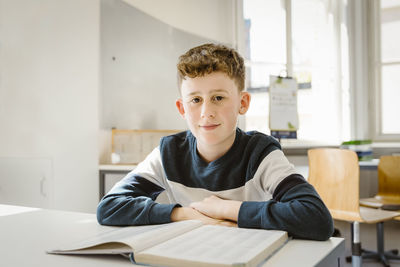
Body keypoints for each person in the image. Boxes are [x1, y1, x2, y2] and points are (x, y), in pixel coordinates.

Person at [97, 43, 334, 241]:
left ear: (243, 103)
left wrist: (227, 209)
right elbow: (110, 207)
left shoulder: (260, 153)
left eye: (218, 98)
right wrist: (185, 214)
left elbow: (316, 218)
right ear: (182, 108)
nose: (206, 112)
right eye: (196, 99)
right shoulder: (168, 153)